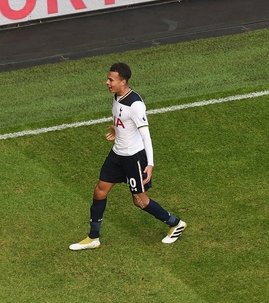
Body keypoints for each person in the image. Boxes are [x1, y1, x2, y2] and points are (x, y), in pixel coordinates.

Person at [69, 62, 187, 250]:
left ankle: (175, 223)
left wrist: (150, 164)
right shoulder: (117, 97)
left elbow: (145, 134)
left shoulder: (136, 104)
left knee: (140, 201)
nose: (107, 82)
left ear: (122, 82)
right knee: (100, 191)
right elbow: (122, 120)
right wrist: (117, 129)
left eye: (111, 80)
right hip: (117, 154)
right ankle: (93, 238)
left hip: (134, 158)